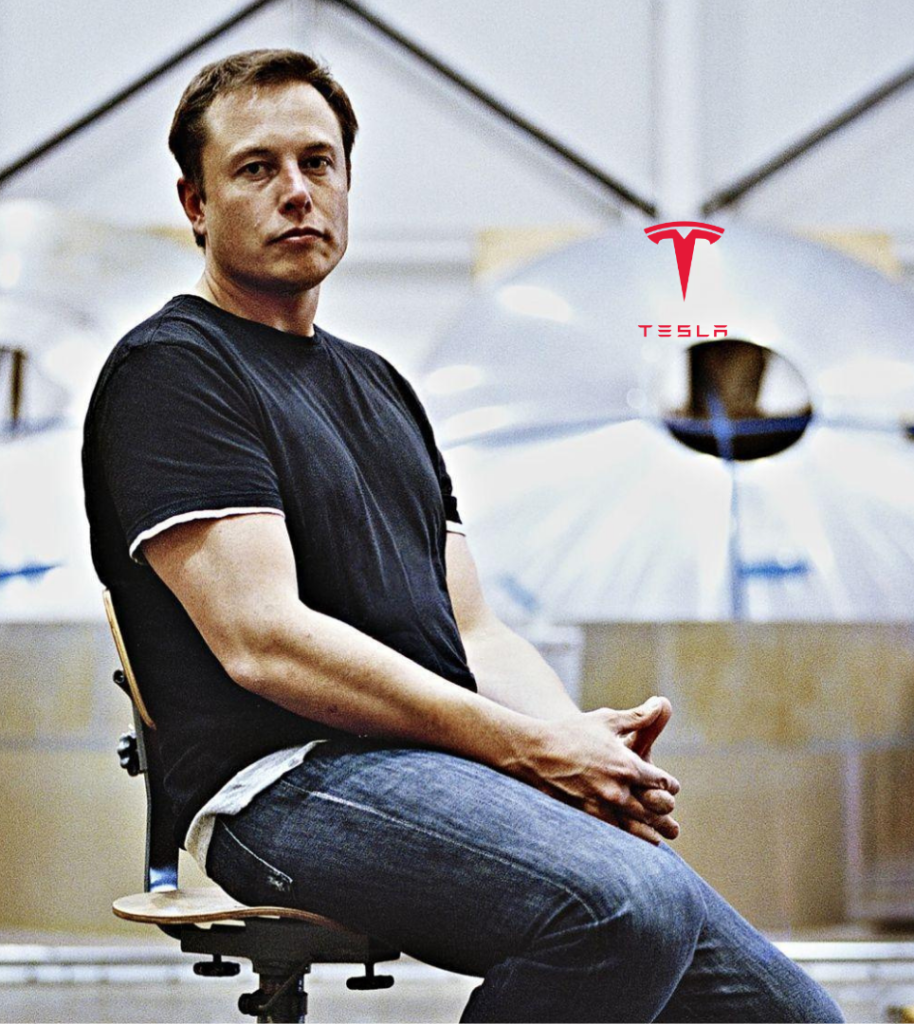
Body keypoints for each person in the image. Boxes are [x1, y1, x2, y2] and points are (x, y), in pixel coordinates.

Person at [83, 48, 843, 1023]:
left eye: (318, 163)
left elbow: (475, 630)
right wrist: (526, 749)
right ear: (196, 203)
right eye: (256, 168)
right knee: (623, 905)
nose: (296, 192)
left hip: (436, 765)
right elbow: (262, 639)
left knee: (792, 1013)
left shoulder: (379, 387)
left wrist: (572, 744)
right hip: (279, 786)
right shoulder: (174, 370)